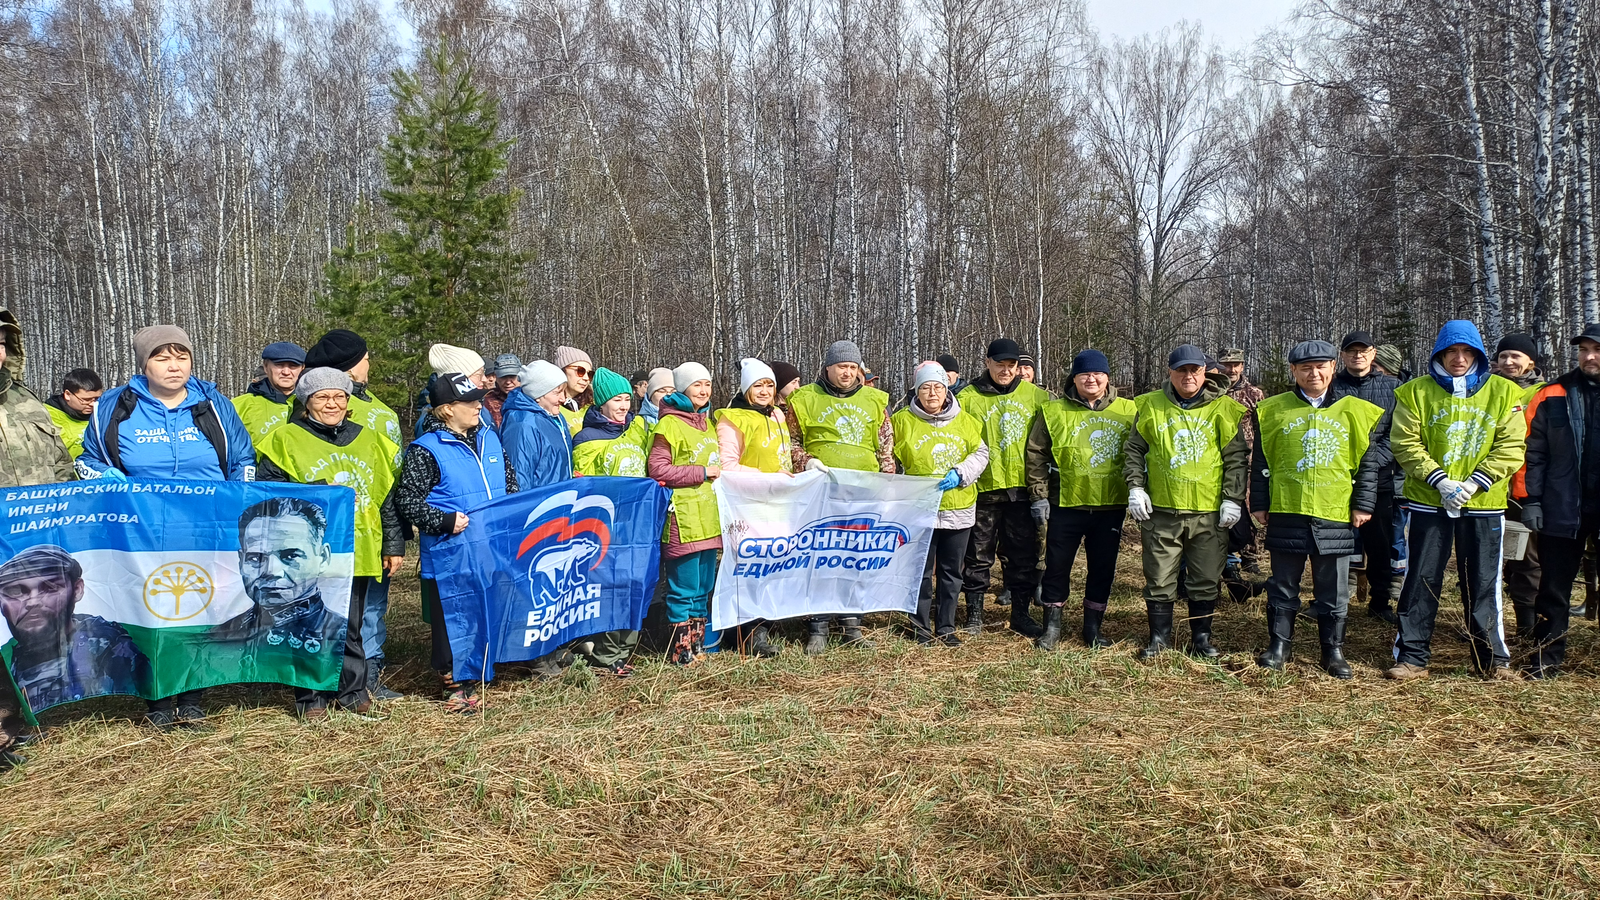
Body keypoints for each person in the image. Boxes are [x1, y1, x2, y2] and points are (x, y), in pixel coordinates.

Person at [77, 324, 254, 727]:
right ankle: (157, 700)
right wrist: (109, 480)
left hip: (204, 527)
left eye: (182, 357)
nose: (174, 366)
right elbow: (87, 461)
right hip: (143, 529)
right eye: (162, 357)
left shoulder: (212, 404)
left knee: (198, 605)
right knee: (151, 609)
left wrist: (234, 503)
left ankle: (192, 697)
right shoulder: (115, 405)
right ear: (144, 363)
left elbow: (243, 460)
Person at [256, 367, 405, 716]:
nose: (332, 403)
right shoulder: (285, 439)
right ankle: (311, 696)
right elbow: (269, 496)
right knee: (307, 620)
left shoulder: (370, 440)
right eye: (322, 397)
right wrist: (316, 494)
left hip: (361, 546)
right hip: (306, 550)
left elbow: (387, 499)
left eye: (339, 396)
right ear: (307, 402)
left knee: (350, 621)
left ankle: (352, 690)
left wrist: (393, 545)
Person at [1385, 320, 1527, 681]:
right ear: (1440, 355)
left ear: (1478, 355)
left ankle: (1492, 659)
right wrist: (1441, 480)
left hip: (1484, 503)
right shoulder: (1414, 392)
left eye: (1467, 352)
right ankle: (1413, 656)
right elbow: (1405, 442)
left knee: (1483, 580)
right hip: (1429, 500)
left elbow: (1511, 446)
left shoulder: (1505, 393)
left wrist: (1476, 483)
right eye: (1452, 352)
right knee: (1421, 576)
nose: (1459, 359)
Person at [1250, 341, 1385, 678]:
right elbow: (1262, 462)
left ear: (1332, 368)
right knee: (1283, 585)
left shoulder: (1355, 410)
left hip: (1335, 511)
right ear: (1293, 371)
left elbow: (1367, 465)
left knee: (1333, 588)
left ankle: (1333, 651)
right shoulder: (1272, 410)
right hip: (1288, 510)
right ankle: (1280, 645)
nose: (1314, 373)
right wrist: (1261, 502)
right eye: (1305, 367)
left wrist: (1364, 504)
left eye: (1321, 366)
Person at [394, 372, 517, 712]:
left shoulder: (491, 439)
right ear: (447, 410)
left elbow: (510, 485)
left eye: (479, 400)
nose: (479, 406)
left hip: (491, 548)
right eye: (470, 402)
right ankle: (453, 682)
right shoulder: (426, 450)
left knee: (487, 609)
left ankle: (484, 668)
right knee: (453, 618)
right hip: (451, 552)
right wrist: (444, 521)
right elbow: (408, 501)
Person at [1124, 343, 1249, 660]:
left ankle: (1201, 639)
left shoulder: (1224, 408)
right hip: (1162, 512)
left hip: (1208, 514)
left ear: (1204, 372)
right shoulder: (1150, 405)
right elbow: (1134, 451)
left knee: (1205, 579)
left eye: (1194, 370)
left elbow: (1235, 458)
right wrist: (1136, 487)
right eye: (1181, 370)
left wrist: (1233, 498)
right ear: (1171, 372)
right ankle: (1159, 639)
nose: (1188, 376)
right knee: (1160, 578)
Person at [302, 329, 404, 699]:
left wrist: (394, 537)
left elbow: (385, 486)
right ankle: (317, 686)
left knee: (364, 609)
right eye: (364, 358)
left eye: (338, 398)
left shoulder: (369, 410)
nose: (332, 404)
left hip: (369, 530)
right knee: (324, 610)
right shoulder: (303, 424)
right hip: (325, 539)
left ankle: (363, 679)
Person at [0, 310, 77, 766]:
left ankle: (18, 721)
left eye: (2, 342)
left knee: (21, 635)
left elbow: (61, 465)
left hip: (33, 542)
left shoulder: (25, 402)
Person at [786, 339, 894, 653]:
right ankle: (818, 626)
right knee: (821, 556)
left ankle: (852, 624)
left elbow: (885, 447)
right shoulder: (804, 398)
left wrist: (887, 483)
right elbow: (789, 442)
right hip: (821, 490)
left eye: (852, 367)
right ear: (828, 367)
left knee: (855, 557)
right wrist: (807, 462)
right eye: (841, 367)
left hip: (863, 492)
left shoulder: (875, 401)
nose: (846, 373)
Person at [1025, 349, 1135, 650]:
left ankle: (1092, 628)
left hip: (1110, 505)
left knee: (1103, 568)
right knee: (1057, 566)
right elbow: (1036, 454)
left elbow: (1141, 452)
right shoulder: (1053, 411)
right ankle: (1051, 627)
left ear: (1107, 378)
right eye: (1084, 373)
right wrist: (1039, 495)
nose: (1091, 378)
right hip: (1065, 503)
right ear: (1074, 377)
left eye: (1097, 373)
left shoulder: (1129, 410)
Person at [1517, 323, 1600, 678]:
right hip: (1561, 507)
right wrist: (1530, 500)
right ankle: (1546, 658)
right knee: (1552, 587)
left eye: (1596, 350)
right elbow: (1529, 453)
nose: (1589, 356)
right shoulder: (1551, 393)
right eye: (1584, 349)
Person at [957, 338, 1051, 638]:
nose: (1007, 371)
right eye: (1000, 365)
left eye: (1012, 366)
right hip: (983, 488)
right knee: (978, 554)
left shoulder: (1037, 397)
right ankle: (974, 615)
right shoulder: (967, 397)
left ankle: (1021, 613)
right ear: (987, 363)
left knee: (1023, 555)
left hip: (1023, 490)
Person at [891, 361, 989, 646]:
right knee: (921, 570)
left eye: (937, 387)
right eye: (925, 388)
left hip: (958, 507)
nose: (932, 393)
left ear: (946, 390)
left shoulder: (967, 421)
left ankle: (946, 625)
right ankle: (920, 627)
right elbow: (888, 459)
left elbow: (981, 453)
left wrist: (961, 473)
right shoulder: (901, 422)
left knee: (951, 572)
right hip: (919, 509)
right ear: (916, 391)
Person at [567, 367, 652, 676]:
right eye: (617, 400)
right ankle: (604, 654)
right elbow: (584, 486)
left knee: (634, 585)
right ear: (602, 402)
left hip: (637, 524)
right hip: (606, 527)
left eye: (627, 399)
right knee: (609, 588)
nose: (624, 406)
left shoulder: (638, 428)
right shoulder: (586, 438)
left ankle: (624, 650)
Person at [712, 359, 794, 659]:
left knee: (772, 563)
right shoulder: (731, 419)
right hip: (747, 503)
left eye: (769, 385)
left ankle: (764, 623)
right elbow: (727, 465)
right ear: (746, 388)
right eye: (758, 385)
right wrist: (769, 479)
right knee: (750, 564)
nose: (764, 391)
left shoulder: (778, 416)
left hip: (778, 502)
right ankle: (746, 633)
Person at [0, 546, 145, 714]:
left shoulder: (108, 646)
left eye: (50, 587)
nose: (32, 602)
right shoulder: (6, 660)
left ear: (77, 590)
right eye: (15, 591)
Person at [648, 362, 722, 665]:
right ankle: (681, 652)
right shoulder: (668, 424)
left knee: (704, 587)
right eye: (696, 385)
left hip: (709, 517)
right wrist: (702, 472)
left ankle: (698, 647)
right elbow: (658, 469)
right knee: (684, 588)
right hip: (684, 518)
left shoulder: (707, 422)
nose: (703, 391)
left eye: (707, 384)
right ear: (682, 388)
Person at [1332, 330, 1404, 626]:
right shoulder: (1331, 386)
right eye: (1351, 351)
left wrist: (1371, 464)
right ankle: (1333, 599)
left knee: (1380, 542)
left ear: (1373, 354)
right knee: (1335, 540)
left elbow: (1398, 435)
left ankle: (1380, 599)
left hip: (1379, 478)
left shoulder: (1393, 388)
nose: (1357, 355)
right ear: (1343, 355)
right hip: (1337, 475)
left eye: (1363, 351)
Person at [1494, 333, 1545, 640]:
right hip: (1488, 489)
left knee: (1526, 560)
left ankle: (1527, 628)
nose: (1509, 362)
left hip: (1524, 490)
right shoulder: (1485, 389)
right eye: (1503, 357)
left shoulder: (1543, 394)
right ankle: (1488, 624)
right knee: (1492, 561)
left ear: (1530, 362)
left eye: (1515, 356)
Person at [1216, 348, 1265, 592]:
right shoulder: (1213, 390)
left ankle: (1250, 557)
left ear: (1243, 366)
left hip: (1247, 459)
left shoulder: (1253, 394)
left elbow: (1262, 428)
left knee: (1247, 508)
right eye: (1226, 364)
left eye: (1236, 364)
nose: (1231, 369)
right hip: (1219, 458)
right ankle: (1228, 559)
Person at [502, 360, 575, 489]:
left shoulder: (555, 417)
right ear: (538, 395)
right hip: (542, 504)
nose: (563, 399)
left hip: (561, 500)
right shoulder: (522, 424)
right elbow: (519, 477)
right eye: (557, 393)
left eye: (564, 392)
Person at [231, 342, 305, 446]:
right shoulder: (238, 406)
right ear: (266, 367)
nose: (286, 372)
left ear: (302, 368)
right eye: (279, 365)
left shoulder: (315, 404)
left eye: (293, 366)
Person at [44, 369, 103, 460]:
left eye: (97, 399)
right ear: (67, 394)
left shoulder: (103, 414)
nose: (93, 404)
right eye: (86, 400)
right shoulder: (46, 416)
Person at [554, 346, 594, 435]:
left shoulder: (593, 406)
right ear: (563, 371)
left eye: (590, 373)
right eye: (580, 371)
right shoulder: (550, 406)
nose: (586, 378)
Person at [483, 353, 523, 431]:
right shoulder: (488, 402)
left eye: (512, 376)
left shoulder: (531, 398)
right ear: (496, 378)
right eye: (503, 377)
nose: (508, 382)